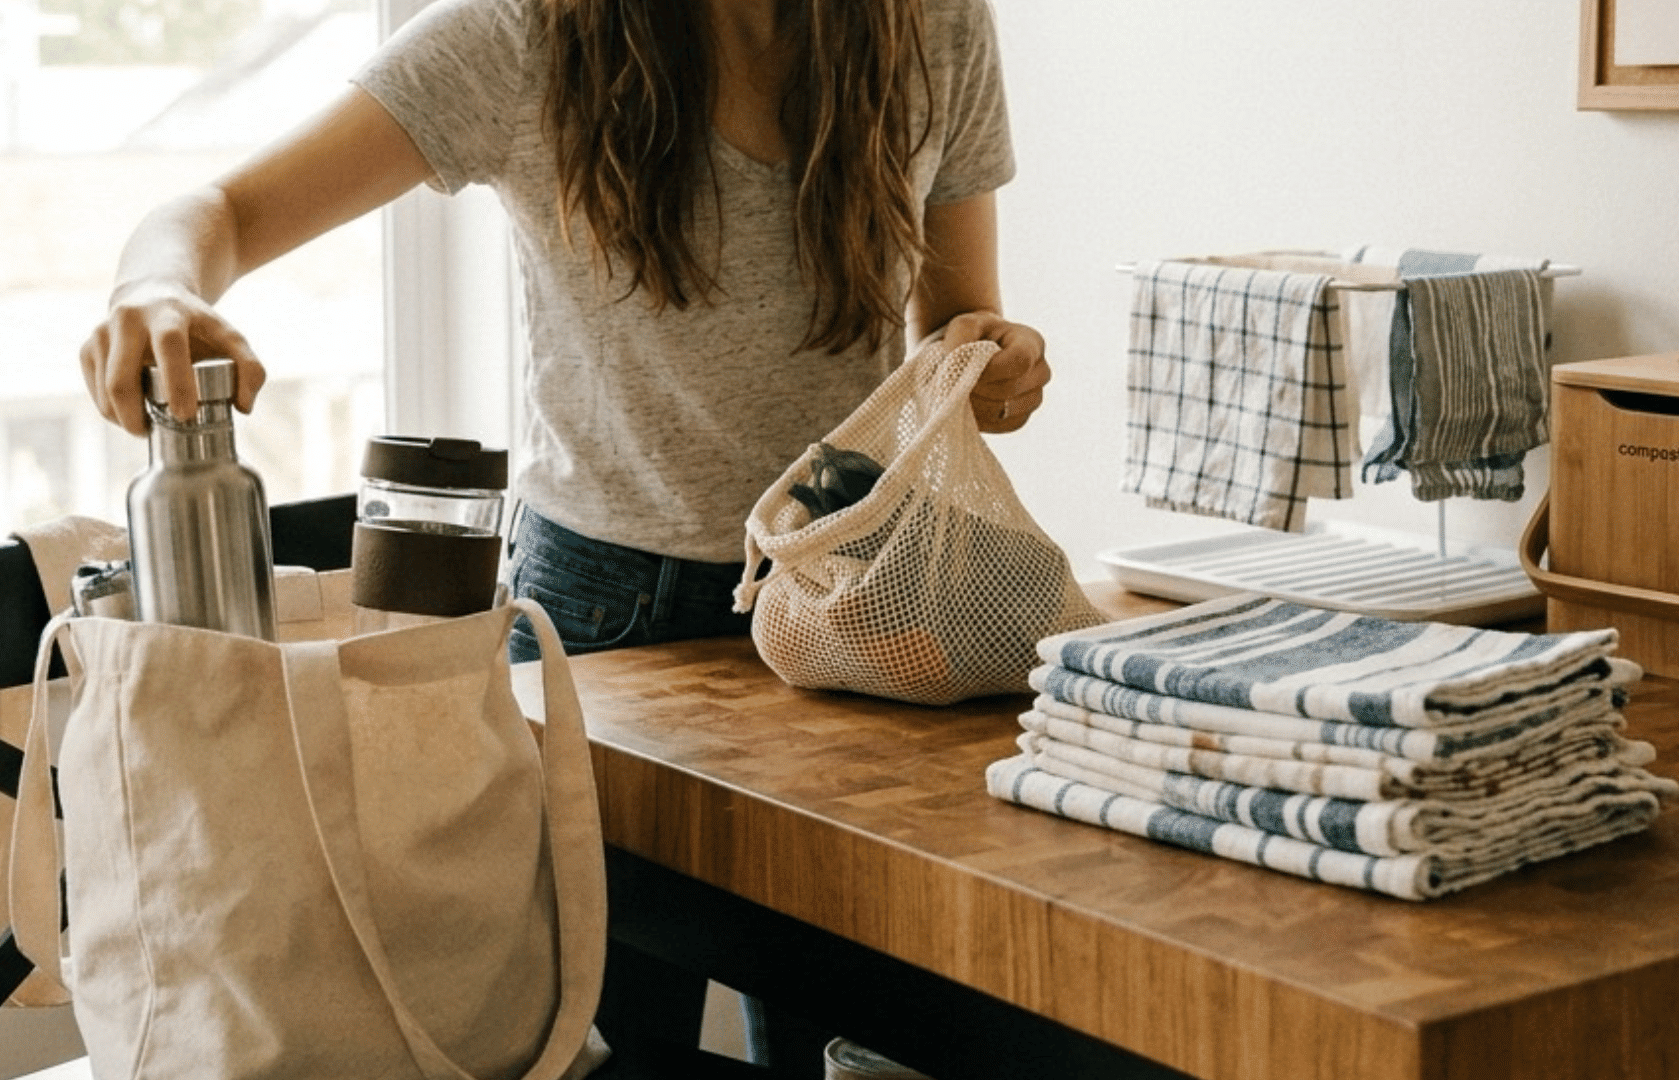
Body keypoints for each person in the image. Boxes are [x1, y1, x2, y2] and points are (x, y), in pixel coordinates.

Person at [80, 0, 1043, 1070]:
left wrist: (992, 363)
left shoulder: (935, 24)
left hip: (853, 600)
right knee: (603, 1047)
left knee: (850, 1039)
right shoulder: (522, 36)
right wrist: (156, 286)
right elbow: (215, 211)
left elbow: (955, 328)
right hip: (606, 626)